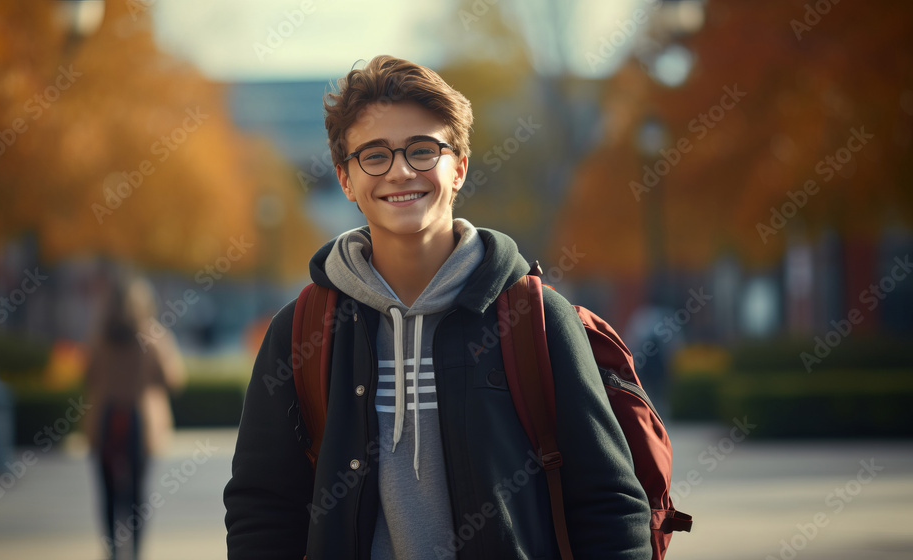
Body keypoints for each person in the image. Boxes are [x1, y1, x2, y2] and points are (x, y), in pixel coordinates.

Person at [224, 55, 651, 559]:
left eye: (423, 150)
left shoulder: (535, 319)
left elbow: (610, 505)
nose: (401, 171)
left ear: (460, 168)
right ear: (345, 179)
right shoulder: (301, 332)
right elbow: (263, 508)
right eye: (374, 155)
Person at [85, 272, 185, 560]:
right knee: (139, 493)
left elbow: (88, 376)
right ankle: (137, 551)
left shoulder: (99, 338)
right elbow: (174, 378)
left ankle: (113, 550)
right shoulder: (153, 337)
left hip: (105, 420)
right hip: (140, 422)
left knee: (107, 492)